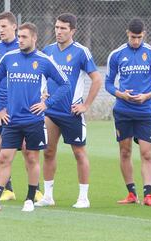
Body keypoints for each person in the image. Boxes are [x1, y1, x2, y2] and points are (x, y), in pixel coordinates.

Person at [0, 22, 71, 212]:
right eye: (19, 37)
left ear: (34, 38)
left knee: (32, 158)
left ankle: (29, 199)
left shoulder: (44, 60)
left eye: (24, 37)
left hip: (33, 120)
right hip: (12, 119)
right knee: (4, 157)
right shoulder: (9, 58)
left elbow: (65, 84)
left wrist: (46, 104)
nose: (20, 40)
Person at [34, 13, 102, 209]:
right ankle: (48, 196)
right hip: (51, 111)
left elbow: (97, 79)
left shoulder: (81, 52)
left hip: (72, 113)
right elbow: (42, 76)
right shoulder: (48, 51)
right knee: (47, 151)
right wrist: (43, 93)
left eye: (63, 28)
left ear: (72, 30)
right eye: (56, 27)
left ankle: (83, 198)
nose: (59, 31)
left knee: (79, 153)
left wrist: (85, 105)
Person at [0, 12, 43, 202]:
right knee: (1, 148)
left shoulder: (24, 47)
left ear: (14, 27)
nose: (0, 30)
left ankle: (35, 190)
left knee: (27, 148)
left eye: (4, 26)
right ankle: (8, 189)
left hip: (20, 107)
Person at [105, 18, 151, 206]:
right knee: (125, 151)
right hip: (123, 111)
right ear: (127, 33)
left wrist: (148, 95)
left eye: (139, 37)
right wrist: (120, 94)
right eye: (133, 37)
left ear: (144, 34)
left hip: (145, 112)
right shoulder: (116, 55)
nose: (136, 41)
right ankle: (131, 194)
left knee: (147, 153)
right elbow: (108, 83)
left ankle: (148, 195)